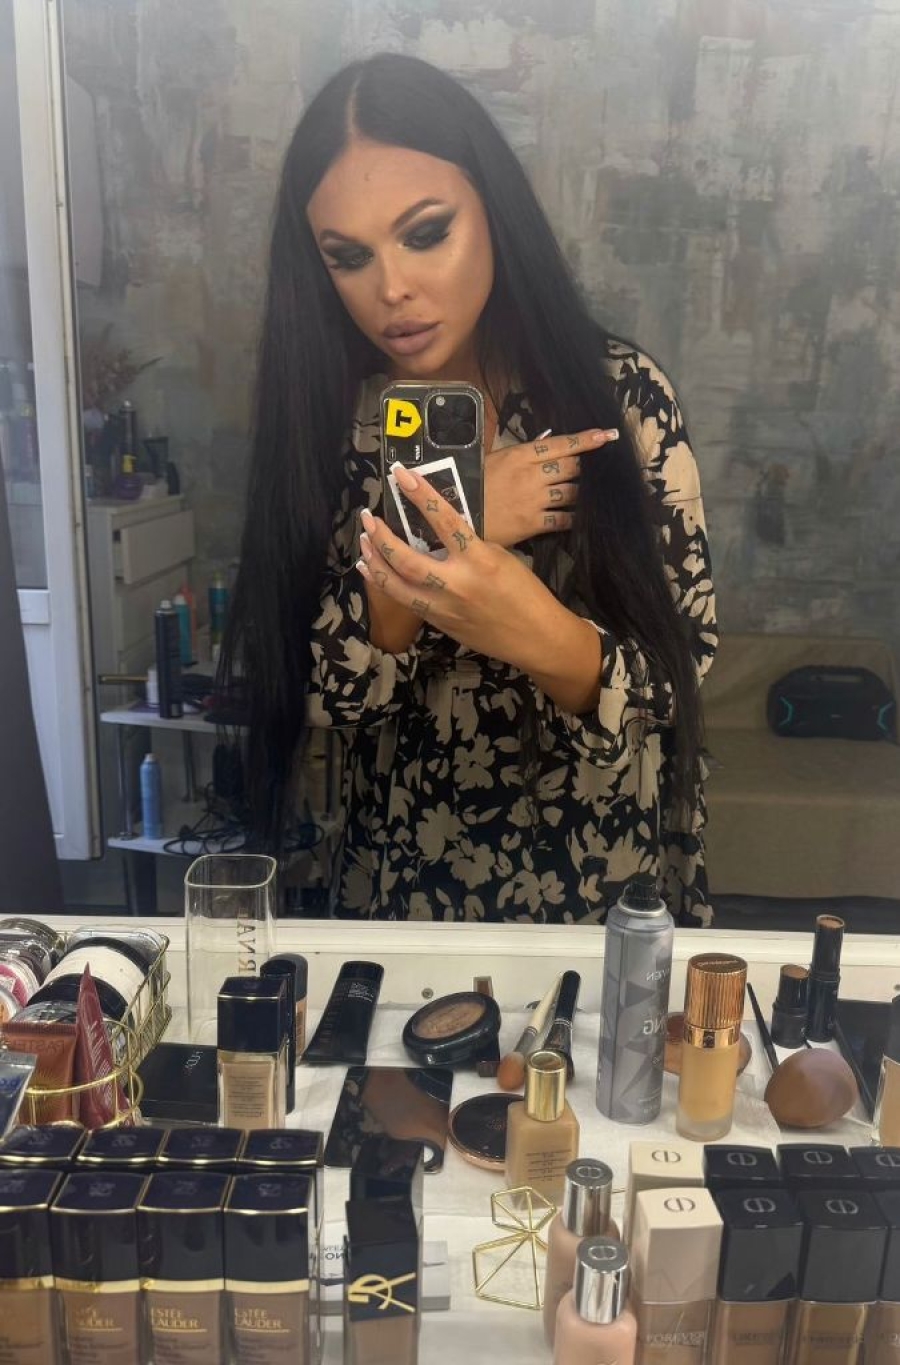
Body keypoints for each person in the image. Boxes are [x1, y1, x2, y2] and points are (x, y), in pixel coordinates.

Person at [222, 53, 718, 925]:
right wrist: (450, 520)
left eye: (425, 233)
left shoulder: (619, 400)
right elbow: (318, 695)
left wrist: (540, 634)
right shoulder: (331, 422)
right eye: (348, 256)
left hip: (597, 889)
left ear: (494, 209)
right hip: (400, 894)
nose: (392, 289)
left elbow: (683, 673)